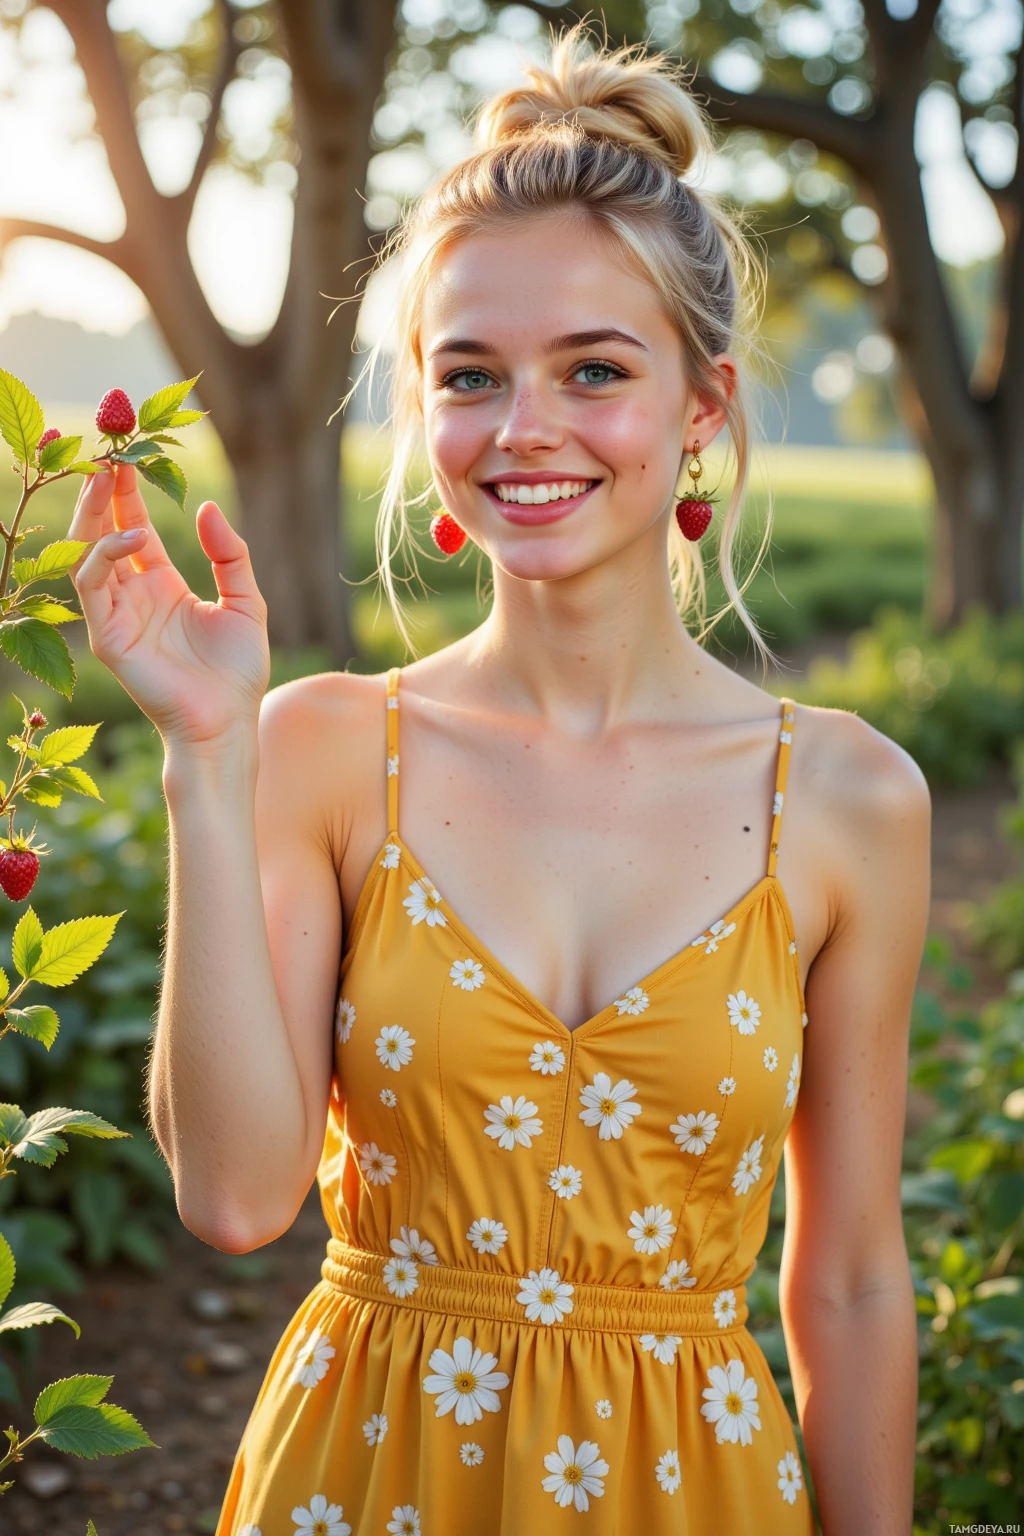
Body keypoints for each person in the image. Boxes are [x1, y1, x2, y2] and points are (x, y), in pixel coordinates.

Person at [69, 21, 929, 1536]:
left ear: (703, 408)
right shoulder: (329, 748)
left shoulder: (849, 802)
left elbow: (852, 1280)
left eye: (594, 369)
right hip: (370, 1475)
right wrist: (207, 758)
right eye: (471, 376)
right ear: (421, 402)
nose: (524, 431)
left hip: (694, 1495)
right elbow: (236, 1198)